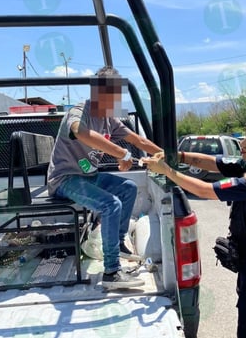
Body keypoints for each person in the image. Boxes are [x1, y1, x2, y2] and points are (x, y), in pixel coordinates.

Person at [142, 113, 246, 338]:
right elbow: (213, 162)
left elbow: (204, 190)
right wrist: (177, 155)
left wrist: (167, 171)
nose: (241, 144)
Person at [47, 66, 162, 289]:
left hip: (88, 176)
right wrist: (122, 154)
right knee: (111, 204)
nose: (113, 100)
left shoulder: (110, 119)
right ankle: (111, 272)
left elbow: (138, 140)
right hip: (65, 179)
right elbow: (81, 132)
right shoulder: (80, 111)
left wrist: (166, 156)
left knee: (128, 188)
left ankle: (117, 243)